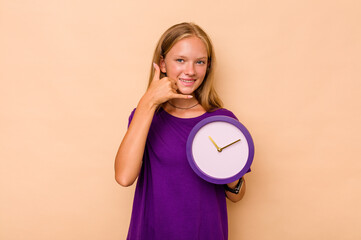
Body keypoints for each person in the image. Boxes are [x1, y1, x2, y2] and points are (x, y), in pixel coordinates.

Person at [114, 22, 248, 240]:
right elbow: (124, 177)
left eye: (200, 62)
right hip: (152, 232)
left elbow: (237, 195)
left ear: (208, 66)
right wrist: (149, 101)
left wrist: (231, 172)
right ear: (162, 64)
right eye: (180, 60)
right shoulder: (145, 116)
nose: (191, 71)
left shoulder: (222, 121)